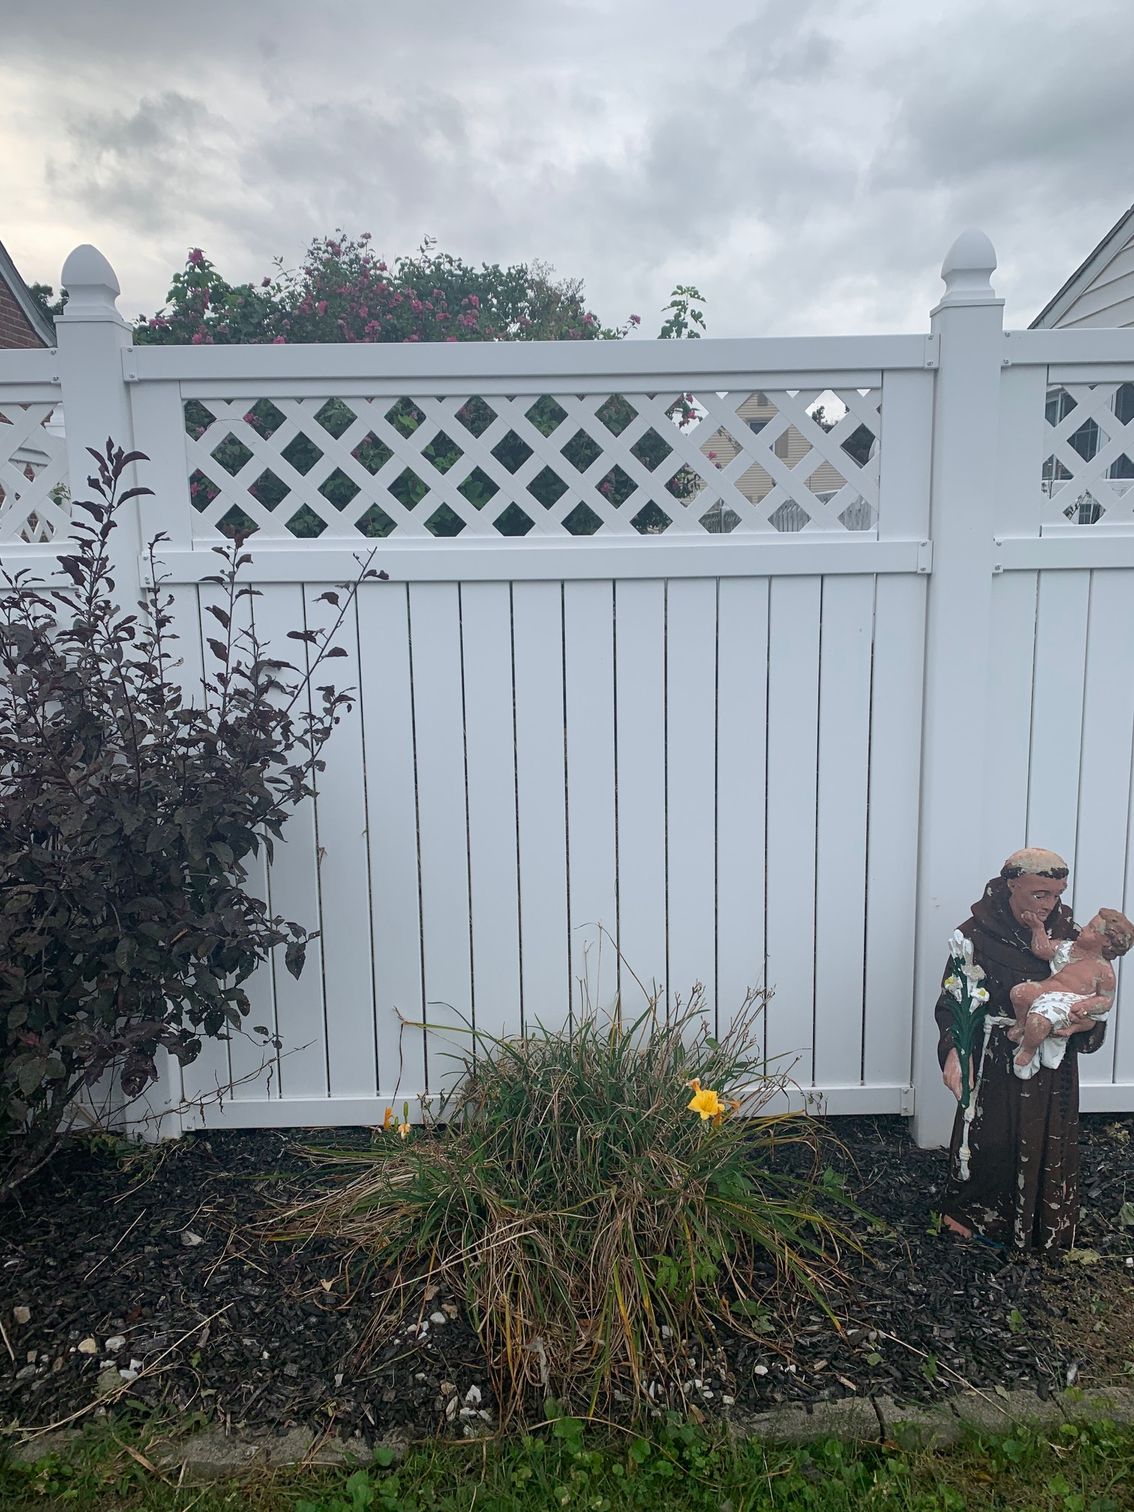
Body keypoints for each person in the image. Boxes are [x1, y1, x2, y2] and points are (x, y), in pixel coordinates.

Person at [935, 848, 1107, 1250]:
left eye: (1056, 894)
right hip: (997, 1055)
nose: (1048, 904)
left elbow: (1094, 994)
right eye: (1039, 894)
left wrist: (1086, 1023)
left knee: (1048, 1139)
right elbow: (955, 1001)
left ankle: (1041, 1222)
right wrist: (956, 1052)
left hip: (1053, 1063)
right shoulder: (976, 935)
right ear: (1012, 885)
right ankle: (973, 1214)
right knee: (990, 1137)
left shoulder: (1071, 937)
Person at [1008, 909, 1134, 1078]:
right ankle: (1021, 1025)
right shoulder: (1068, 948)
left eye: (1091, 928)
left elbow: (1106, 999)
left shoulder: (1103, 971)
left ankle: (1028, 1049)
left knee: (1039, 1021)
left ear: (1105, 941)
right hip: (1047, 989)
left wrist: (1085, 1006)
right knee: (1019, 993)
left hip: (1065, 1002)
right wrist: (1038, 928)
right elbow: (1042, 950)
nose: (1083, 928)